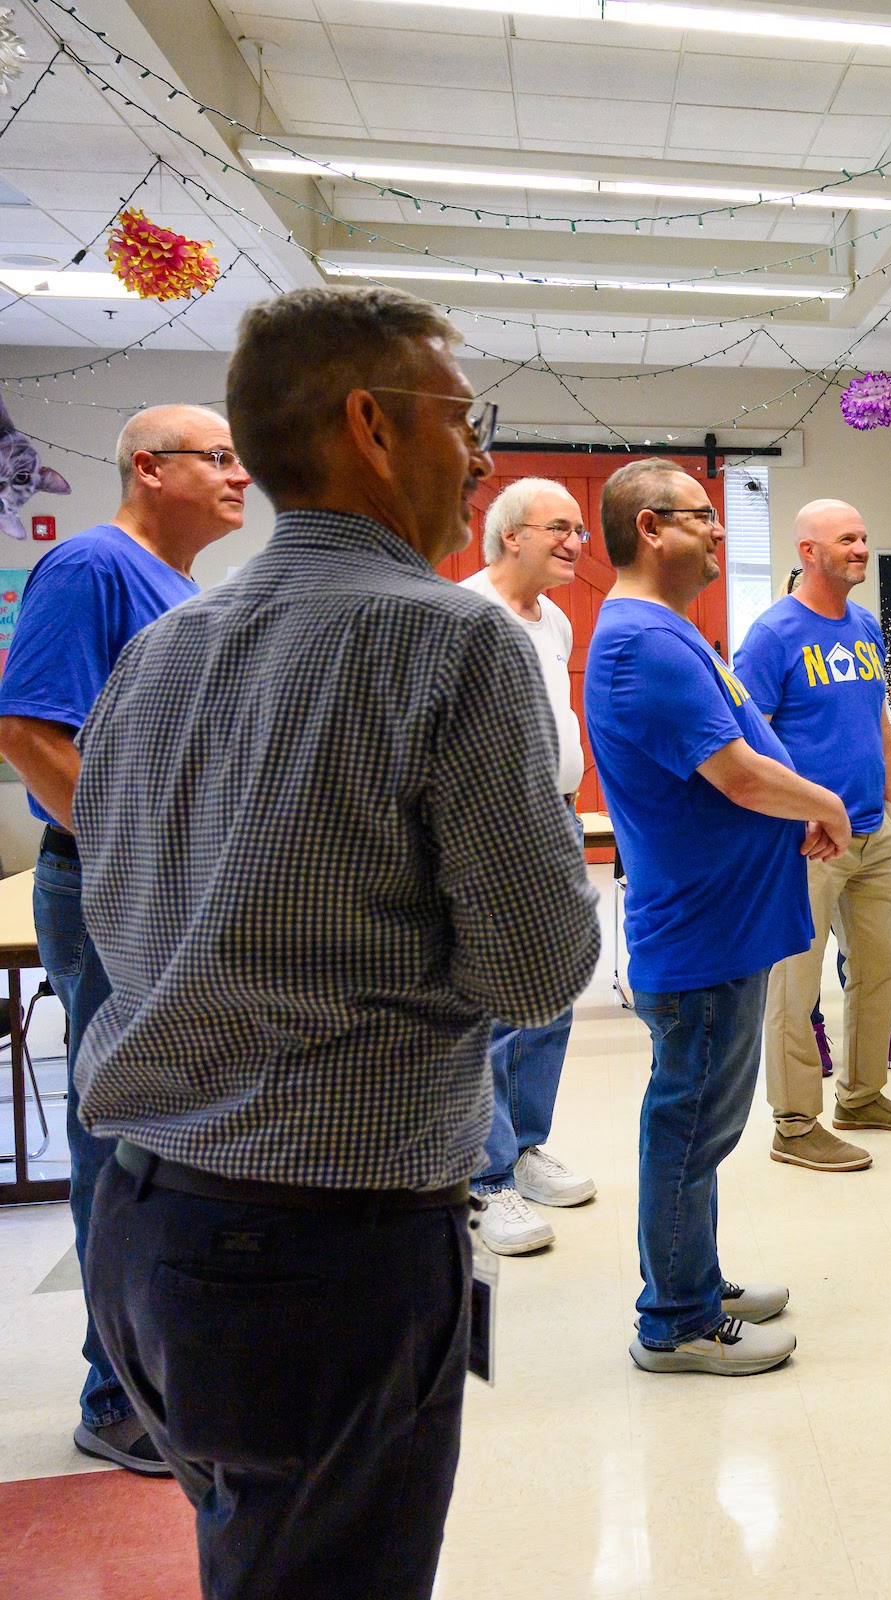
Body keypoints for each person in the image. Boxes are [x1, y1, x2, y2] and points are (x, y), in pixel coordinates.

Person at [71, 286, 598, 1598]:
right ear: (371, 424)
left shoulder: (163, 646)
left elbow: (118, 908)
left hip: (146, 1219)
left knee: (257, 1554)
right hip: (324, 1250)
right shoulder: (451, 638)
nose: (478, 460)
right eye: (462, 422)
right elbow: (536, 971)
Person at [0, 404, 246, 1478]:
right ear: (149, 467)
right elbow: (26, 731)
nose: (241, 475)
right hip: (110, 891)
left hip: (159, 893)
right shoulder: (93, 566)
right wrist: (136, 856)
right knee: (120, 1133)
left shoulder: (176, 585)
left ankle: (158, 1367)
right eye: (218, 458)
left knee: (163, 1132)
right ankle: (117, 1396)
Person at [584, 457, 851, 1377]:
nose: (720, 529)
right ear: (650, 528)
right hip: (702, 934)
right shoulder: (643, 645)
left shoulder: (669, 633)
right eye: (702, 515)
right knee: (691, 1129)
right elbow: (735, 773)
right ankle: (677, 1322)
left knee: (700, 1127)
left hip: (725, 924)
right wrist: (822, 801)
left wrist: (795, 805)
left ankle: (694, 1279)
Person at [735, 498, 891, 1174]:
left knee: (879, 971)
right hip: (806, 842)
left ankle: (862, 1095)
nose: (861, 548)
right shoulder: (773, 634)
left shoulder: (865, 625)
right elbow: (749, 741)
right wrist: (792, 814)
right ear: (809, 551)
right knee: (794, 986)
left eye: (863, 537)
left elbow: (878, 717)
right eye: (846, 539)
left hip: (874, 831)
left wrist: (888, 800)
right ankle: (795, 1125)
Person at [455, 478, 600, 1254]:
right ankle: (484, 1177)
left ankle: (525, 1145)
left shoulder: (555, 621)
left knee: (550, 997)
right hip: (492, 828)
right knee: (495, 1007)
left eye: (579, 530)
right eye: (559, 528)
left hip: (557, 820)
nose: (576, 542)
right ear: (511, 535)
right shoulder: (464, 614)